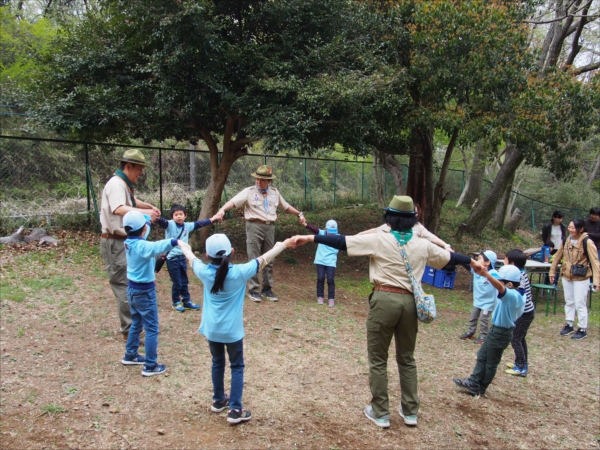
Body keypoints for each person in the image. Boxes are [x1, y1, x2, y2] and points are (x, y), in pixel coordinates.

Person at [291, 195, 483, 429]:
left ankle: (381, 412)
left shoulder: (379, 239)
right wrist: (472, 263)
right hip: (411, 304)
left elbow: (342, 242)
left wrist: (309, 237)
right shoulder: (423, 244)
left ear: (389, 217)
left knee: (379, 359)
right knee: (407, 359)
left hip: (384, 300)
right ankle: (410, 411)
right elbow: (451, 259)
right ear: (413, 219)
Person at [178, 234, 295, 424]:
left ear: (207, 255)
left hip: (212, 330)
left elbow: (190, 258)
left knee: (217, 362)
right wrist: (283, 243)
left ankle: (218, 401)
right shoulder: (241, 272)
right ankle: (235, 409)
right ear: (232, 252)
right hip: (232, 333)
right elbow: (264, 258)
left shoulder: (204, 271)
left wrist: (182, 244)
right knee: (237, 367)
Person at [213, 165, 306, 302]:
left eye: (262, 180)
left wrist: (299, 214)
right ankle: (254, 290)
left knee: (270, 257)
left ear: (269, 181)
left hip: (270, 227)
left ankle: (267, 289)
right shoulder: (249, 192)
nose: (258, 181)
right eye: (257, 179)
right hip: (254, 226)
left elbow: (285, 207)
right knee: (254, 257)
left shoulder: (274, 193)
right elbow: (233, 202)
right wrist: (222, 210)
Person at [100, 149, 160, 341]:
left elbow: (131, 202)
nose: (140, 173)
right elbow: (119, 208)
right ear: (128, 166)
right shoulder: (116, 185)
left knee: (131, 282)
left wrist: (149, 207)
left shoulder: (124, 185)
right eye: (139, 169)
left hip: (124, 241)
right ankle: (130, 330)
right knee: (124, 285)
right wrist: (145, 215)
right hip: (114, 241)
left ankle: (134, 327)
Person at [120, 211, 180, 377]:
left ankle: (130, 354)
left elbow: (144, 232)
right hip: (144, 292)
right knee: (152, 328)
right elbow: (157, 246)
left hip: (132, 290)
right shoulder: (143, 246)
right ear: (142, 230)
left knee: (136, 322)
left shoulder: (129, 241)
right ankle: (151, 365)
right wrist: (175, 241)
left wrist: (148, 220)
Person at [453, 264, 525, 397]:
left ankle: (480, 387)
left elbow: (500, 288)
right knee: (482, 356)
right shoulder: (516, 294)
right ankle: (473, 382)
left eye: (501, 281)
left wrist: (486, 274)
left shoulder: (513, 296)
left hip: (501, 332)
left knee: (491, 362)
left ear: (509, 284)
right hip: (496, 330)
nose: (498, 284)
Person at [157, 204, 219, 312]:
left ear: (185, 215)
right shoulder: (170, 225)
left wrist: (213, 219)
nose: (178, 216)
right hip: (172, 259)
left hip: (182, 258)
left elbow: (200, 224)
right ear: (172, 217)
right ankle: (176, 302)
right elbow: (162, 222)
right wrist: (155, 216)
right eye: (176, 215)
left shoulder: (187, 226)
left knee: (184, 281)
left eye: (181, 214)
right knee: (177, 282)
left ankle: (187, 301)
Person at [550, 218, 600, 340]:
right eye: (570, 227)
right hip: (567, 275)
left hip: (581, 277)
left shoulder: (587, 242)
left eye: (573, 228)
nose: (570, 230)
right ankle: (569, 324)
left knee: (580, 303)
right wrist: (552, 271)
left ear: (580, 229)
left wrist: (597, 281)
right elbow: (557, 257)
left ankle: (582, 328)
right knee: (569, 301)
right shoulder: (566, 240)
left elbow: (595, 262)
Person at [358, 203, 453, 251]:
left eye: (416, 212)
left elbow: (431, 237)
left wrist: (446, 246)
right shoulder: (391, 225)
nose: (415, 215)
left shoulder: (418, 227)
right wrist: (357, 236)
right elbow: (375, 230)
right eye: (412, 213)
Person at [504, 249, 535, 377]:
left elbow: (516, 293)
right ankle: (521, 362)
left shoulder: (519, 277)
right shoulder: (520, 273)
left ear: (512, 264)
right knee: (520, 338)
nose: (503, 262)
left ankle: (521, 367)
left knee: (515, 338)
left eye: (505, 260)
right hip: (525, 313)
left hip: (525, 314)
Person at [459, 250, 499, 344]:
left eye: (479, 259)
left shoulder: (493, 273)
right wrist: (455, 256)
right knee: (473, 317)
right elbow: (465, 263)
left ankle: (483, 336)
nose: (477, 261)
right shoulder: (476, 270)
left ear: (488, 262)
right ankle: (470, 332)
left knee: (483, 319)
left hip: (489, 302)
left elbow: (501, 282)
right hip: (478, 301)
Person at [305, 219, 339, 307]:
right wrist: (306, 225)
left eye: (333, 230)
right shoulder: (322, 233)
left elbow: (349, 241)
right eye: (330, 230)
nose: (331, 233)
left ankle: (331, 298)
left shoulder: (338, 237)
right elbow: (314, 230)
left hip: (331, 261)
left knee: (330, 280)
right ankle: (320, 297)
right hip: (320, 260)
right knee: (320, 278)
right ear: (326, 229)